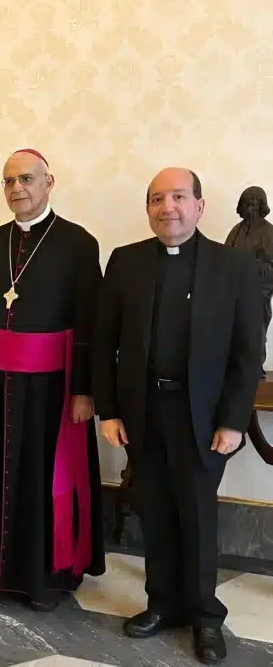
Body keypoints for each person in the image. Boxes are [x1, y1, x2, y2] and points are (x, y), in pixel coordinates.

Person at [93, 168, 261, 664]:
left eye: (179, 197)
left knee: (198, 514)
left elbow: (249, 352)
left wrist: (233, 420)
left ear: (200, 205)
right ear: (148, 209)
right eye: (157, 199)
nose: (168, 207)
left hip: (204, 418)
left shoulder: (234, 265)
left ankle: (206, 617)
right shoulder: (125, 262)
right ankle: (162, 604)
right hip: (144, 412)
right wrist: (109, 410)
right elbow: (104, 344)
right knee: (157, 511)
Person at [0, 148, 105, 611]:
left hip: (56, 387)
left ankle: (49, 577)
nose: (17, 189)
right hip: (3, 379)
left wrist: (86, 389)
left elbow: (91, 322)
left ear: (50, 182)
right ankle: (3, 570)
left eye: (26, 180)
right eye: (8, 181)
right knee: (6, 472)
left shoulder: (77, 243)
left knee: (45, 477)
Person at [225, 185, 273, 371]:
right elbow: (225, 257)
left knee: (256, 329)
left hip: (259, 289)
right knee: (236, 328)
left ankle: (255, 365)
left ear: (262, 206)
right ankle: (237, 364)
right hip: (236, 288)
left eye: (254, 203)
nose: (250, 208)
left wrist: (260, 263)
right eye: (247, 204)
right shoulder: (236, 231)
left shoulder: (269, 232)